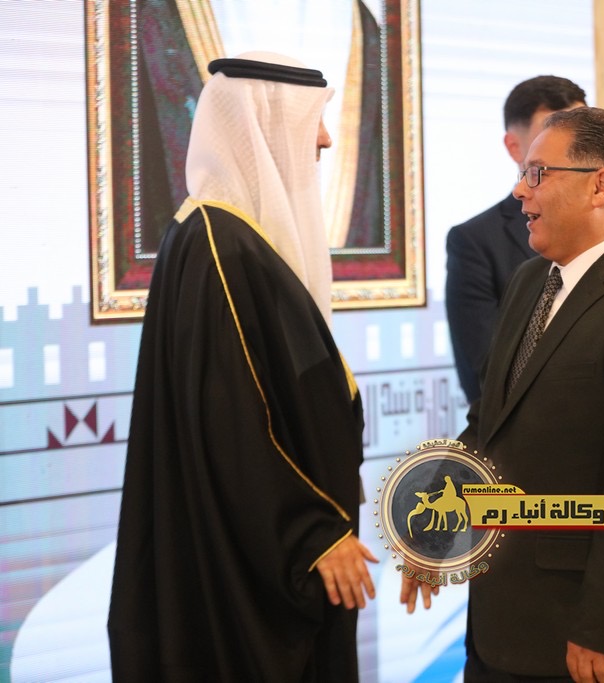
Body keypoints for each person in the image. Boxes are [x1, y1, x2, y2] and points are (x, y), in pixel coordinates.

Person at [107, 52, 377, 682]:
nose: (325, 139)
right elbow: (229, 420)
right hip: (262, 567)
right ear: (264, 122)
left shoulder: (227, 238)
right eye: (313, 119)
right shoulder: (219, 247)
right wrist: (309, 531)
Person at [430, 106, 604, 681]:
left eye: (537, 173)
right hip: (503, 627)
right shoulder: (528, 282)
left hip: (599, 643)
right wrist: (433, 528)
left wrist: (603, 625)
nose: (519, 190)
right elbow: (489, 423)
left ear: (600, 186)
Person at [445, 75, 586, 403]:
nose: (572, 152)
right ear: (514, 147)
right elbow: (486, 377)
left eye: (581, 136)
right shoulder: (474, 242)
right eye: (551, 136)